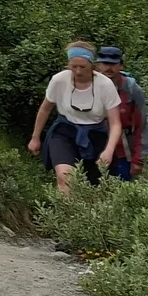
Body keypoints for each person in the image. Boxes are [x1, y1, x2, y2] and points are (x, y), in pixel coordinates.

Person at [27, 40, 123, 195]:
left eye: (83, 67)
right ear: (68, 65)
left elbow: (115, 123)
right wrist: (35, 137)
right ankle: (65, 214)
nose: (78, 71)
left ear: (92, 65)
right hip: (65, 131)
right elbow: (45, 109)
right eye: (73, 66)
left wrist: (109, 150)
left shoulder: (105, 85)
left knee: (96, 187)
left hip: (96, 135)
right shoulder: (59, 80)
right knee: (65, 176)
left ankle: (85, 216)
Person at [97, 46, 146, 180]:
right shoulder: (87, 85)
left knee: (121, 190)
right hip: (93, 148)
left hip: (123, 151)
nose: (109, 68)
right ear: (98, 65)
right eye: (105, 63)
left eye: (113, 64)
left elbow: (141, 126)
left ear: (121, 66)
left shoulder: (132, 90)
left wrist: (138, 159)